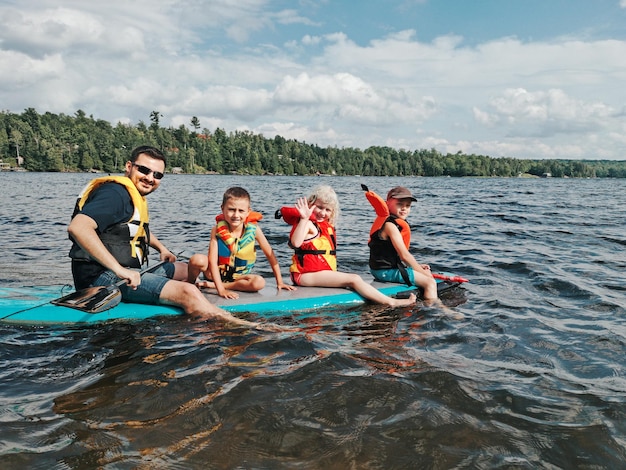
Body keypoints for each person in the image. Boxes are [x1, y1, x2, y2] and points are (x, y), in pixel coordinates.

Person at [67, 145, 258, 327]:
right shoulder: (115, 194)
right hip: (102, 279)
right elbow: (79, 227)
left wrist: (162, 248)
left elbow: (134, 229)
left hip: (124, 272)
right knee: (188, 291)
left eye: (157, 174)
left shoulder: (129, 195)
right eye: (144, 170)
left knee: (185, 268)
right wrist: (120, 270)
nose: (150, 178)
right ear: (128, 166)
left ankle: (212, 288)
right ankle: (238, 325)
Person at [278, 185, 416, 307]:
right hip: (304, 275)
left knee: (351, 277)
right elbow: (296, 243)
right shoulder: (307, 223)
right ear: (310, 204)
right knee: (354, 279)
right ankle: (391, 302)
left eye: (327, 210)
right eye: (319, 207)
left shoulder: (325, 226)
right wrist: (303, 218)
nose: (322, 213)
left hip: (316, 273)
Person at [187, 186, 296, 299]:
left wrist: (280, 282)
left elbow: (270, 254)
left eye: (241, 211)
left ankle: (215, 285)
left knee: (259, 282)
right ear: (222, 208)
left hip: (238, 277)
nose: (236, 215)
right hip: (214, 274)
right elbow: (212, 262)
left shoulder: (254, 230)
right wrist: (221, 291)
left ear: (248, 212)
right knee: (197, 260)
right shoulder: (216, 230)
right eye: (231, 210)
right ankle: (189, 284)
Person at [364, 185, 438, 301]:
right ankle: (436, 309)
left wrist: (417, 267)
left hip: (380, 269)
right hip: (384, 272)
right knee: (430, 283)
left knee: (424, 271)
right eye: (400, 204)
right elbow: (404, 256)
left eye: (408, 206)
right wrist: (424, 274)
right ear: (388, 203)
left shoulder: (392, 223)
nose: (404, 208)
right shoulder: (390, 226)